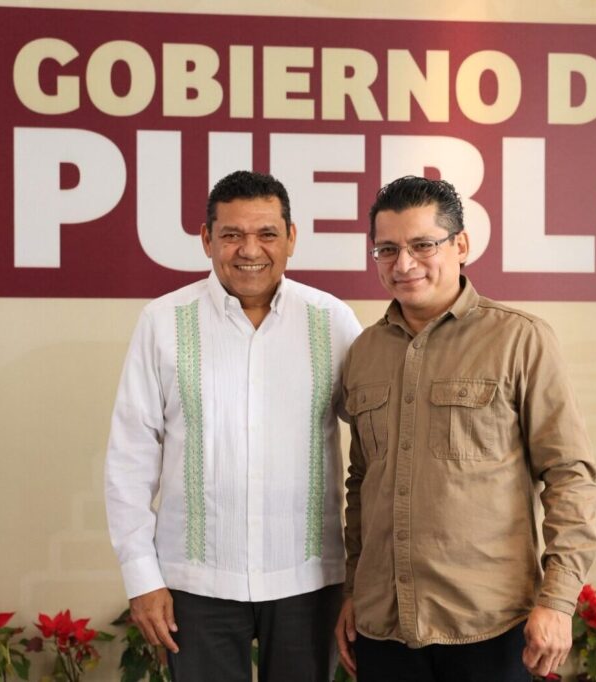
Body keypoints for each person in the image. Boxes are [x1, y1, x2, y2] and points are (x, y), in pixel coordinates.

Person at [334, 176, 596, 681]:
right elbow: (362, 483)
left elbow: (570, 476)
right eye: (387, 250)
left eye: (422, 245)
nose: (403, 264)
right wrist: (352, 589)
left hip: (490, 627)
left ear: (460, 245)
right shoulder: (364, 352)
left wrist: (558, 600)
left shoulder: (520, 340)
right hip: (383, 628)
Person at [105, 170, 363, 681]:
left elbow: (380, 439)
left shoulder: (332, 321)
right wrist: (141, 577)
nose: (250, 250)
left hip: (309, 582)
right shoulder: (162, 322)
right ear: (207, 239)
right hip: (196, 585)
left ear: (291, 238)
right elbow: (129, 459)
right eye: (231, 234)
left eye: (267, 233)